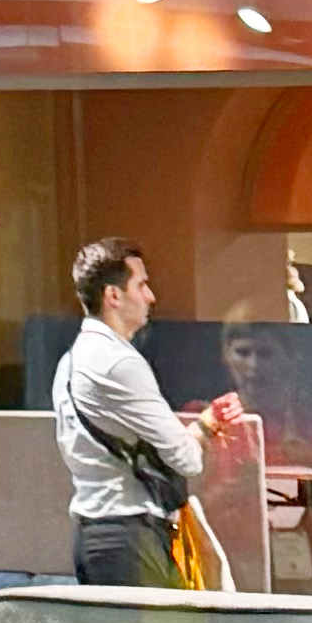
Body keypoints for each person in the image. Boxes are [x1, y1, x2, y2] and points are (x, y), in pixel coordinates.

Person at [53, 240, 229, 588]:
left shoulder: (70, 362)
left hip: (94, 537)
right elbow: (185, 460)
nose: (150, 297)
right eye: (141, 285)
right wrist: (197, 435)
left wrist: (203, 426)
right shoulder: (120, 363)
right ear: (113, 296)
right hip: (132, 539)